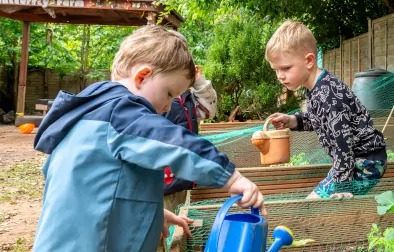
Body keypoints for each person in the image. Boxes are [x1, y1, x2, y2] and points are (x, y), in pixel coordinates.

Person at [33, 25, 265, 251]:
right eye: (169, 94)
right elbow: (174, 143)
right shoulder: (121, 114)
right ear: (142, 76)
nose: (167, 108)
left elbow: (93, 192)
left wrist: (151, 214)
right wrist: (232, 179)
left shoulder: (89, 116)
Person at [265, 21, 387, 199]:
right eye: (276, 70)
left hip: (365, 162)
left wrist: (341, 186)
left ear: (308, 61)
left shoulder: (328, 94)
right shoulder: (316, 87)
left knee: (316, 204)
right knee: (316, 202)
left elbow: (342, 144)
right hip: (352, 161)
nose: (280, 76)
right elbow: (318, 119)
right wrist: (292, 120)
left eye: (285, 68)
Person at [158, 65, 219, 252]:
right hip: (160, 183)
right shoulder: (155, 96)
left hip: (182, 179)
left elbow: (209, 111)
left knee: (178, 230)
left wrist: (199, 82)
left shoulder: (186, 96)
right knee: (159, 234)